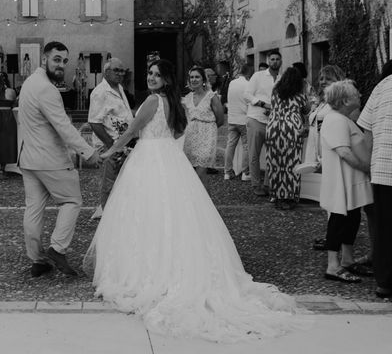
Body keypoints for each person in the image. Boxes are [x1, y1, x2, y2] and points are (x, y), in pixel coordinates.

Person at [84, 59, 305, 342]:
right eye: (149, 73)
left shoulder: (152, 101)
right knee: (174, 213)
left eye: (157, 74)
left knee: (147, 213)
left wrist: (108, 151)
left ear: (165, 79)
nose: (151, 77)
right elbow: (176, 132)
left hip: (150, 158)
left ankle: (149, 270)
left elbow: (130, 132)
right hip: (168, 157)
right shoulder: (174, 102)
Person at [18, 41, 101, 278]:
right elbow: (63, 126)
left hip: (29, 159)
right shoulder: (47, 89)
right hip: (51, 160)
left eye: (65, 61)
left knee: (33, 210)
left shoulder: (29, 84)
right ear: (44, 59)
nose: (61, 65)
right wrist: (89, 152)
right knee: (72, 201)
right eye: (56, 59)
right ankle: (58, 248)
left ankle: (38, 260)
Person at [320, 80, 373, 283]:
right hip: (343, 180)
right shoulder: (336, 120)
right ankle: (333, 266)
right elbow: (344, 151)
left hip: (350, 180)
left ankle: (348, 260)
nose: (359, 95)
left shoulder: (343, 118)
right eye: (355, 93)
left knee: (351, 219)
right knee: (339, 221)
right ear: (344, 100)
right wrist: (366, 168)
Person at [358, 71, 392, 299]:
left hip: (383, 169)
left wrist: (372, 163)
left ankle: (385, 282)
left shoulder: (382, 86)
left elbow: (366, 132)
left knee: (384, 228)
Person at [88, 57, 133, 209]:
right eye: (116, 70)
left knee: (122, 183)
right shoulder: (100, 92)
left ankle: (119, 213)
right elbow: (94, 122)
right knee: (109, 184)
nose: (120, 74)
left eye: (122, 71)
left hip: (122, 145)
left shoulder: (118, 88)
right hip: (110, 147)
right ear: (106, 72)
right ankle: (107, 216)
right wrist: (112, 145)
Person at [265, 67, 309, 209]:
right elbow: (306, 109)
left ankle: (277, 196)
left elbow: (272, 107)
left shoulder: (275, 92)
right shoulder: (300, 94)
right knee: (291, 164)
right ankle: (289, 197)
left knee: (275, 163)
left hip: (274, 128)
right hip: (291, 129)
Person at [245, 50, 282, 197]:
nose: (274, 62)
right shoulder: (258, 76)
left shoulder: (282, 78)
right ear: (268, 60)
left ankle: (268, 184)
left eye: (277, 59)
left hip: (274, 120)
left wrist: (275, 109)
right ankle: (256, 184)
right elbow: (247, 94)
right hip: (256, 118)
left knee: (272, 154)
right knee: (254, 153)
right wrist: (263, 104)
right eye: (272, 59)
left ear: (281, 61)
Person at [182, 66, 224, 181]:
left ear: (203, 80)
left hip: (207, 137)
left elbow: (220, 119)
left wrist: (208, 130)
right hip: (190, 137)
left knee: (200, 173)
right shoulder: (187, 98)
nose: (194, 80)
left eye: (197, 77)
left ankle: (204, 198)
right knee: (191, 175)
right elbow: (186, 118)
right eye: (191, 77)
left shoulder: (211, 96)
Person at [223, 64, 253, 181]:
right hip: (244, 118)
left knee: (230, 146)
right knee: (246, 146)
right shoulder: (248, 84)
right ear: (249, 72)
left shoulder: (232, 83)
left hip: (232, 118)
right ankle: (245, 173)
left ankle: (227, 172)